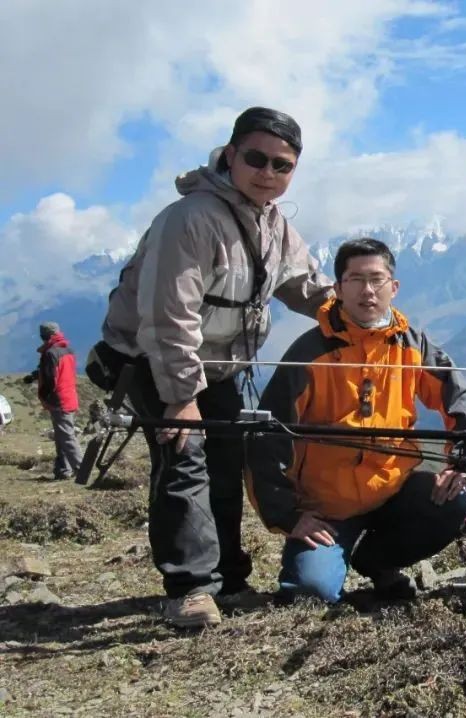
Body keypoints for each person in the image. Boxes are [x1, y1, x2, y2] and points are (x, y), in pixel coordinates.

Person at [92, 107, 334, 628]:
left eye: (282, 165)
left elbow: (302, 285)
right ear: (230, 154)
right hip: (156, 361)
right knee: (186, 459)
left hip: (218, 366)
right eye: (256, 159)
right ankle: (189, 589)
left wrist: (355, 313)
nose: (268, 172)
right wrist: (181, 397)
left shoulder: (274, 225)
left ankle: (228, 581)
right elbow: (167, 316)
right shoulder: (189, 219)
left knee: (226, 463)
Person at [246, 238, 466, 604]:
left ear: (394, 287)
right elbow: (266, 436)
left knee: (460, 501)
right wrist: (288, 516)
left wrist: (463, 461)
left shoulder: (412, 346)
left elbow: (459, 399)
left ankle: (378, 562)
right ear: (338, 289)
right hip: (327, 508)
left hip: (395, 490)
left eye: (376, 279)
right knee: (310, 593)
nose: (367, 290)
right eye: (355, 280)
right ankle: (327, 564)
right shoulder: (309, 354)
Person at [24, 322, 83, 480]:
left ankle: (82, 470)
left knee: (66, 436)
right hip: (69, 395)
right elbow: (56, 371)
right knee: (61, 435)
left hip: (59, 399)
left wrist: (44, 395)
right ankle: (63, 470)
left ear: (44, 336)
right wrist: (35, 375)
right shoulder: (68, 350)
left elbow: (51, 379)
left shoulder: (50, 353)